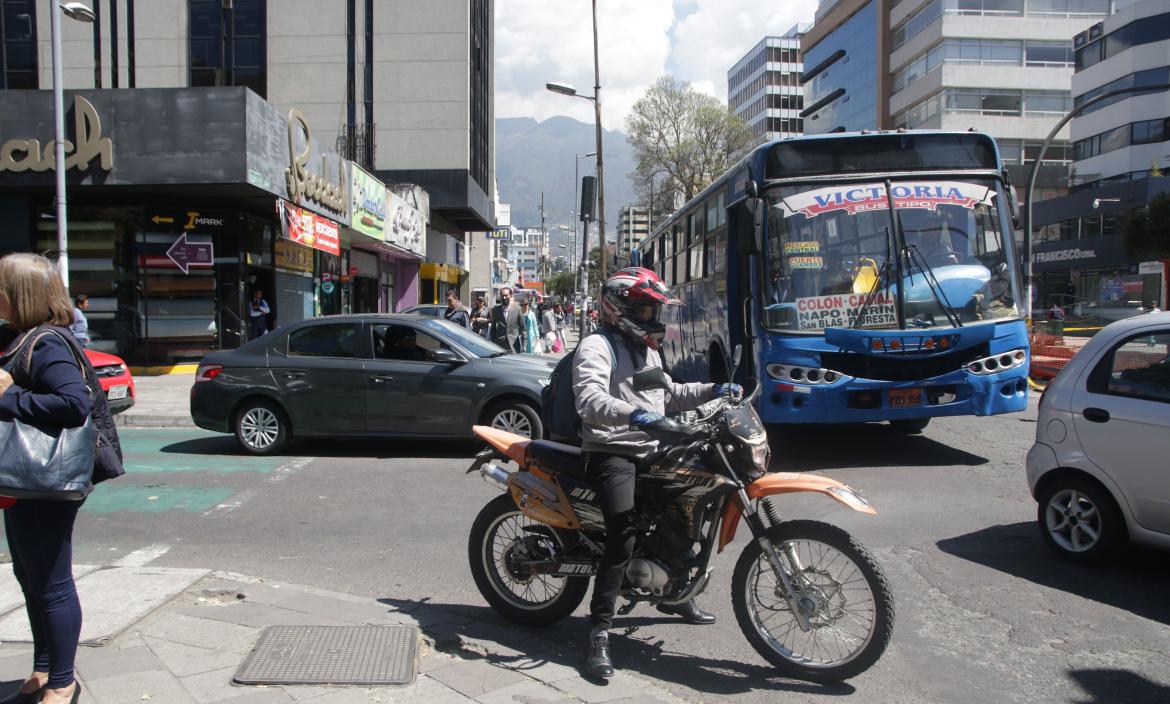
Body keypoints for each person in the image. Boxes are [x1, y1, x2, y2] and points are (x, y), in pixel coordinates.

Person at [571, 267, 742, 679]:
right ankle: (599, 631)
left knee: (692, 502)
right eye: (646, 310)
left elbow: (671, 393)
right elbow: (589, 399)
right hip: (612, 450)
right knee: (623, 531)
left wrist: (714, 389)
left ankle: (675, 593)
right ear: (620, 308)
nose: (653, 318)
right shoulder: (596, 346)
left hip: (652, 447)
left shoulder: (647, 349)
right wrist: (637, 415)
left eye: (653, 311)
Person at [0, 254, 93, 704]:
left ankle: (63, 681)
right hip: (21, 482)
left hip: (44, 482)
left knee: (52, 582)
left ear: (19, 294)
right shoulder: (19, 338)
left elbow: (74, 403)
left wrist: (10, 395)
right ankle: (42, 670)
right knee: (29, 577)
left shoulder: (48, 343)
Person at [490, 287, 521, 352]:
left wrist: (524, 343)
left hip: (514, 344)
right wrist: (492, 343)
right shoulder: (496, 309)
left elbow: (523, 328)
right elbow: (493, 328)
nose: (504, 298)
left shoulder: (517, 309)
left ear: (511, 296)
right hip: (499, 344)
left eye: (506, 295)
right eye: (502, 296)